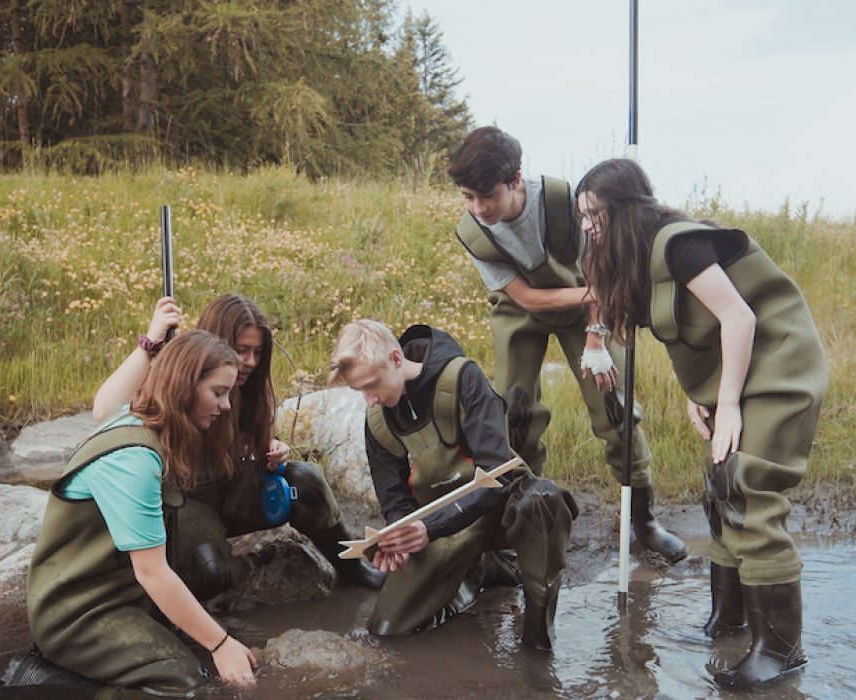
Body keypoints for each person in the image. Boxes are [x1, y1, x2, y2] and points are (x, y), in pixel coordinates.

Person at [576, 157, 829, 687]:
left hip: (778, 364)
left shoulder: (679, 244)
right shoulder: (641, 261)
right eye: (582, 217)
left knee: (749, 487)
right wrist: (703, 395)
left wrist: (730, 401)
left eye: (594, 215)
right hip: (733, 377)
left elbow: (739, 316)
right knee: (719, 490)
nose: (587, 227)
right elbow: (689, 331)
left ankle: (781, 653)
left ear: (624, 210)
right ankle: (730, 621)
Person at [445, 126, 687, 563]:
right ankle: (522, 516)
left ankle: (644, 520)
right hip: (522, 312)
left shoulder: (564, 201)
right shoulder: (474, 232)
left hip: (583, 307)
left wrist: (596, 337)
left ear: (515, 179)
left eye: (488, 196)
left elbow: (599, 268)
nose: (478, 208)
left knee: (614, 406)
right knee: (513, 415)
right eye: (468, 197)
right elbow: (528, 298)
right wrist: (596, 294)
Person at [91, 294, 386, 593]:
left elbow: (251, 440)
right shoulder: (172, 380)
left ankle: (352, 567)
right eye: (242, 350)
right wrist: (151, 342)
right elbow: (104, 411)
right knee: (210, 567)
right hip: (188, 505)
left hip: (234, 494)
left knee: (306, 482)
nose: (250, 362)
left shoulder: (252, 386)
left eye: (257, 352)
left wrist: (271, 448)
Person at [25, 331, 257, 696]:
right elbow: (152, 572)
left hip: (123, 594)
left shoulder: (151, 425)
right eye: (218, 392)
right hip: (79, 615)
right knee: (185, 680)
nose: (226, 405)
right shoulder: (132, 460)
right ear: (184, 386)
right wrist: (221, 643)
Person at [328, 319, 578, 650]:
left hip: (500, 508)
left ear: (396, 359)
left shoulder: (462, 378)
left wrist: (429, 528)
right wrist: (399, 540)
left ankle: (538, 637)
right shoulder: (377, 420)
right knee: (389, 631)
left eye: (371, 385)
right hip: (442, 525)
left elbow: (498, 473)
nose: (369, 400)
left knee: (544, 500)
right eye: (359, 390)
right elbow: (395, 503)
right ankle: (482, 571)